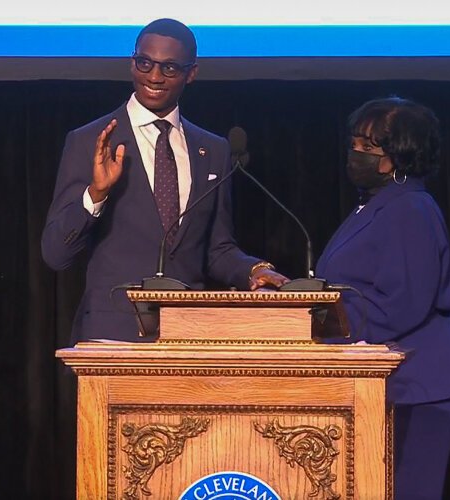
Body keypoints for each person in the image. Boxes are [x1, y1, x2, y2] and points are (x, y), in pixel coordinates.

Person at [41, 18, 288, 343]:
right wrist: (96, 194)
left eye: (169, 68)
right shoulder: (91, 141)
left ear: (191, 73)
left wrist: (255, 271)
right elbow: (55, 253)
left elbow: (218, 249)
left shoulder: (213, 149)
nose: (154, 77)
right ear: (133, 63)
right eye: (145, 63)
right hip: (112, 340)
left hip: (189, 336)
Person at [315, 97, 450, 499]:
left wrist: (320, 323)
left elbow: (400, 305)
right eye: (354, 143)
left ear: (397, 158)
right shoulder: (376, 205)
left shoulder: (409, 209)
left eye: (367, 148)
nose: (355, 154)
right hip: (389, 382)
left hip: (418, 385)